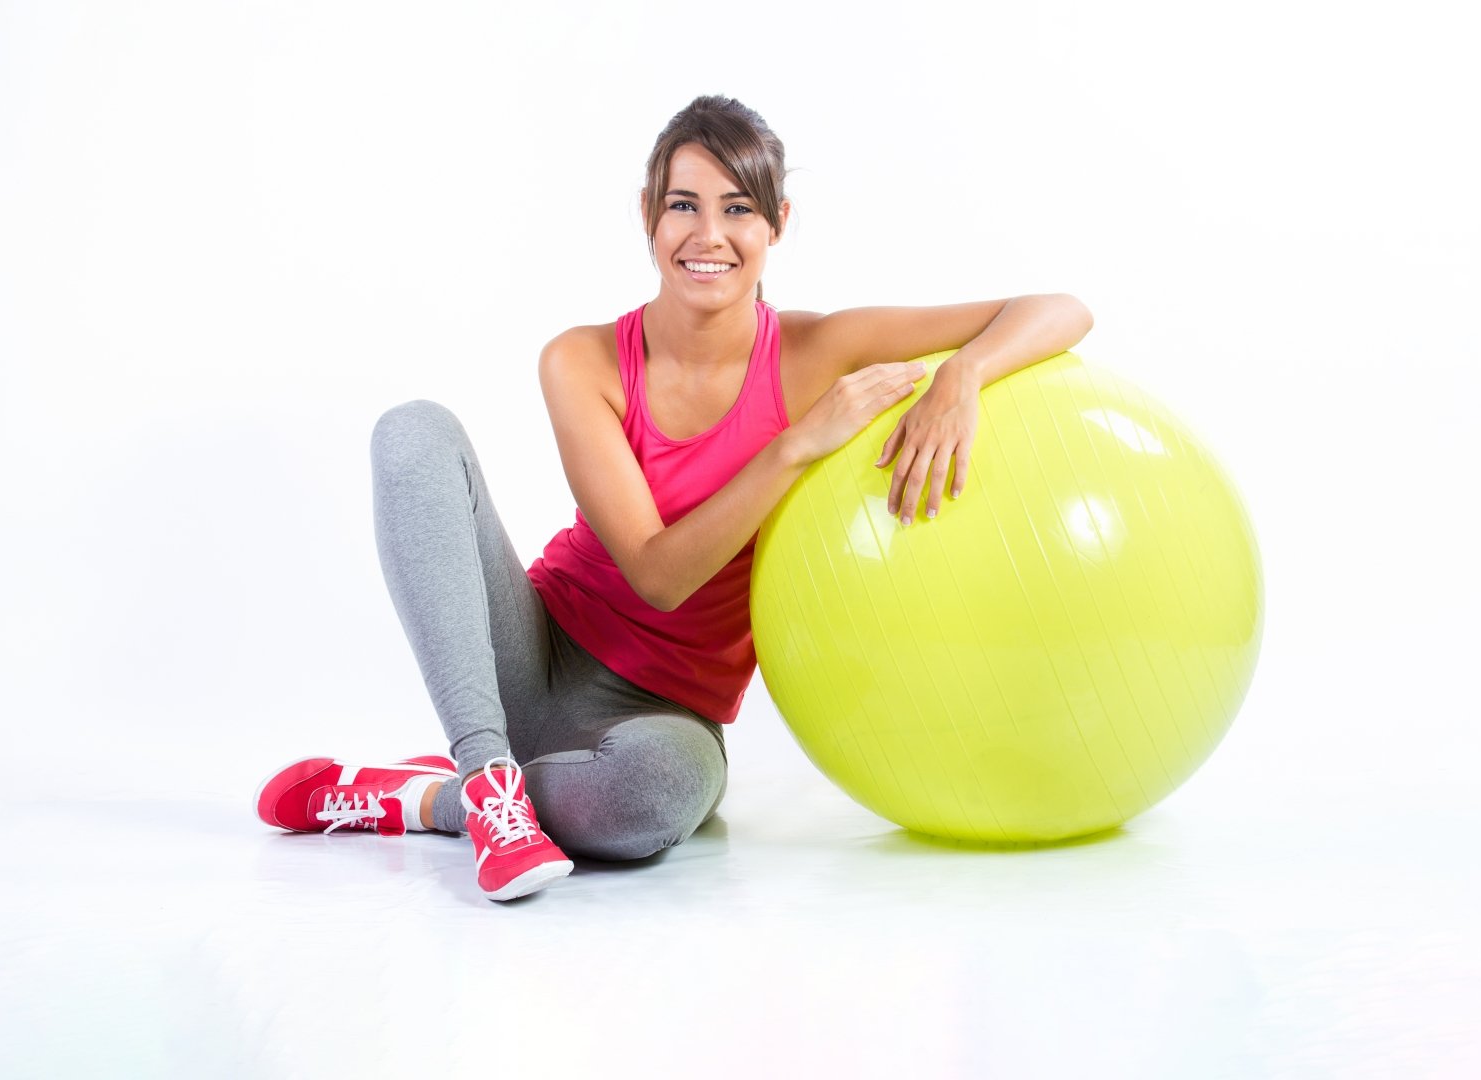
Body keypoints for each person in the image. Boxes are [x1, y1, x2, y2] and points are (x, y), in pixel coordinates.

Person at [255, 95, 1094, 901]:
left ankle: (442, 800)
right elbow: (659, 574)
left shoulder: (816, 350)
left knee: (649, 804)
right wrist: (798, 444)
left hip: (666, 715)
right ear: (650, 218)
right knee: (413, 431)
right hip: (532, 655)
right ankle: (487, 775)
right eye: (683, 206)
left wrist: (965, 373)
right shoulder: (580, 360)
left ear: (777, 225)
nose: (709, 235)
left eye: (737, 209)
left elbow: (1060, 308)